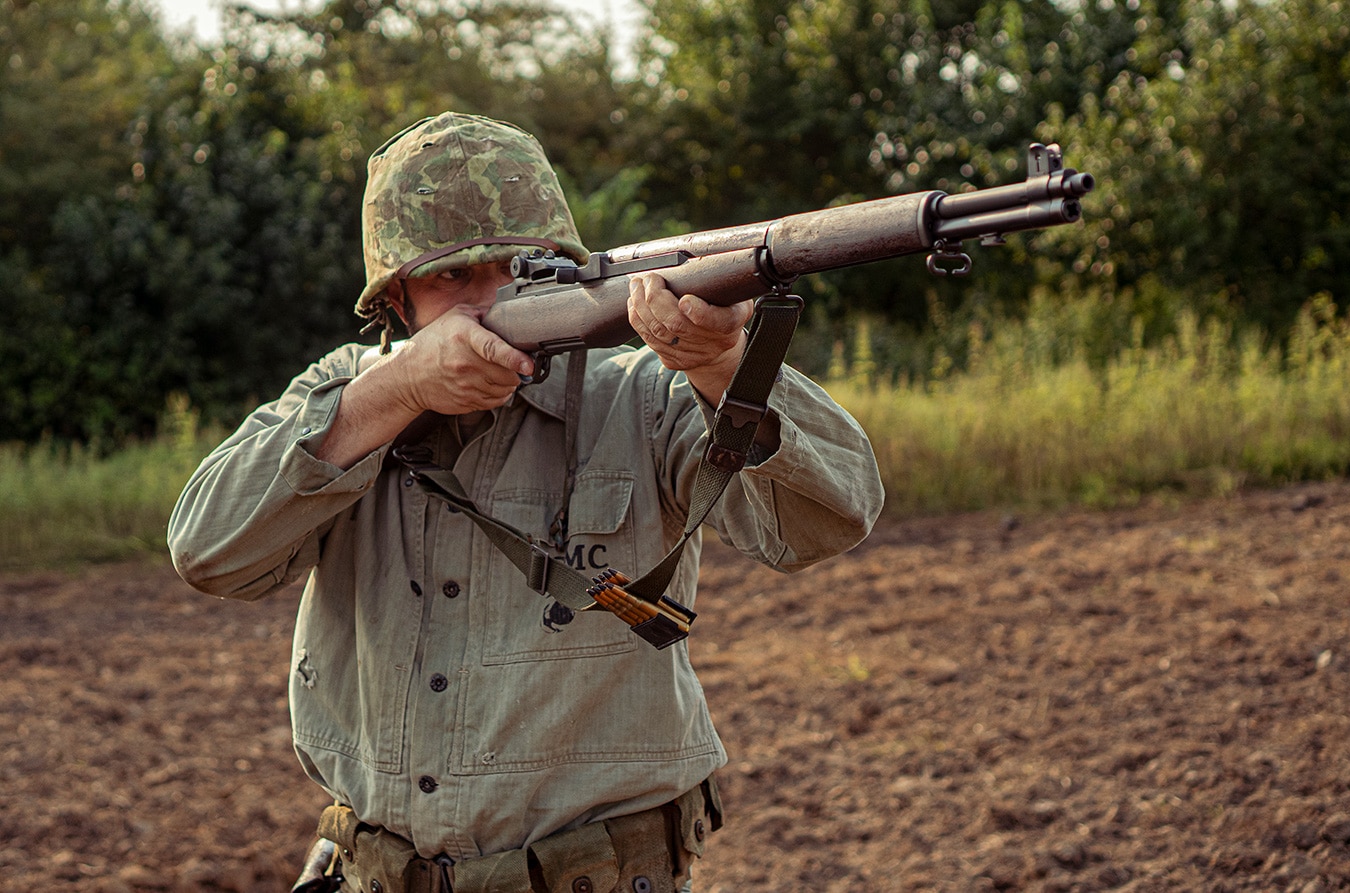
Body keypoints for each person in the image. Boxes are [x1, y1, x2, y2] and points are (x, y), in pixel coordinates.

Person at [168, 112, 884, 893]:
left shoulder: (641, 398)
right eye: (454, 276)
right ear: (397, 301)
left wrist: (724, 367)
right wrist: (399, 388)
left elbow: (835, 513)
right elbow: (209, 549)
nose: (494, 293)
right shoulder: (344, 397)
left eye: (522, 264)